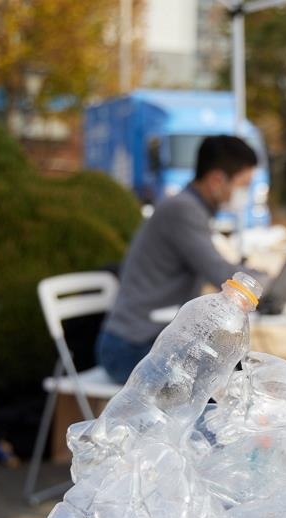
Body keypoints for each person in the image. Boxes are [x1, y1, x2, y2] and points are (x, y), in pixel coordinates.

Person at [96, 134, 262, 383]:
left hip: (149, 340)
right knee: (232, 380)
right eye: (244, 184)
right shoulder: (183, 210)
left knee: (236, 371)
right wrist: (264, 280)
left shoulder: (190, 208)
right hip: (132, 347)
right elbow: (222, 275)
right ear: (217, 179)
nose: (245, 193)